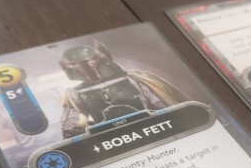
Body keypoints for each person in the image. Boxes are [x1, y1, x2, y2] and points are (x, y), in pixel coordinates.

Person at [59, 41, 188, 138]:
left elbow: (163, 104)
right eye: (75, 64)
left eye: (92, 59)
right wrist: (77, 131)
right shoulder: (74, 94)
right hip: (113, 137)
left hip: (153, 127)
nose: (88, 65)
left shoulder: (136, 78)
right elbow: (72, 125)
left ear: (103, 56)